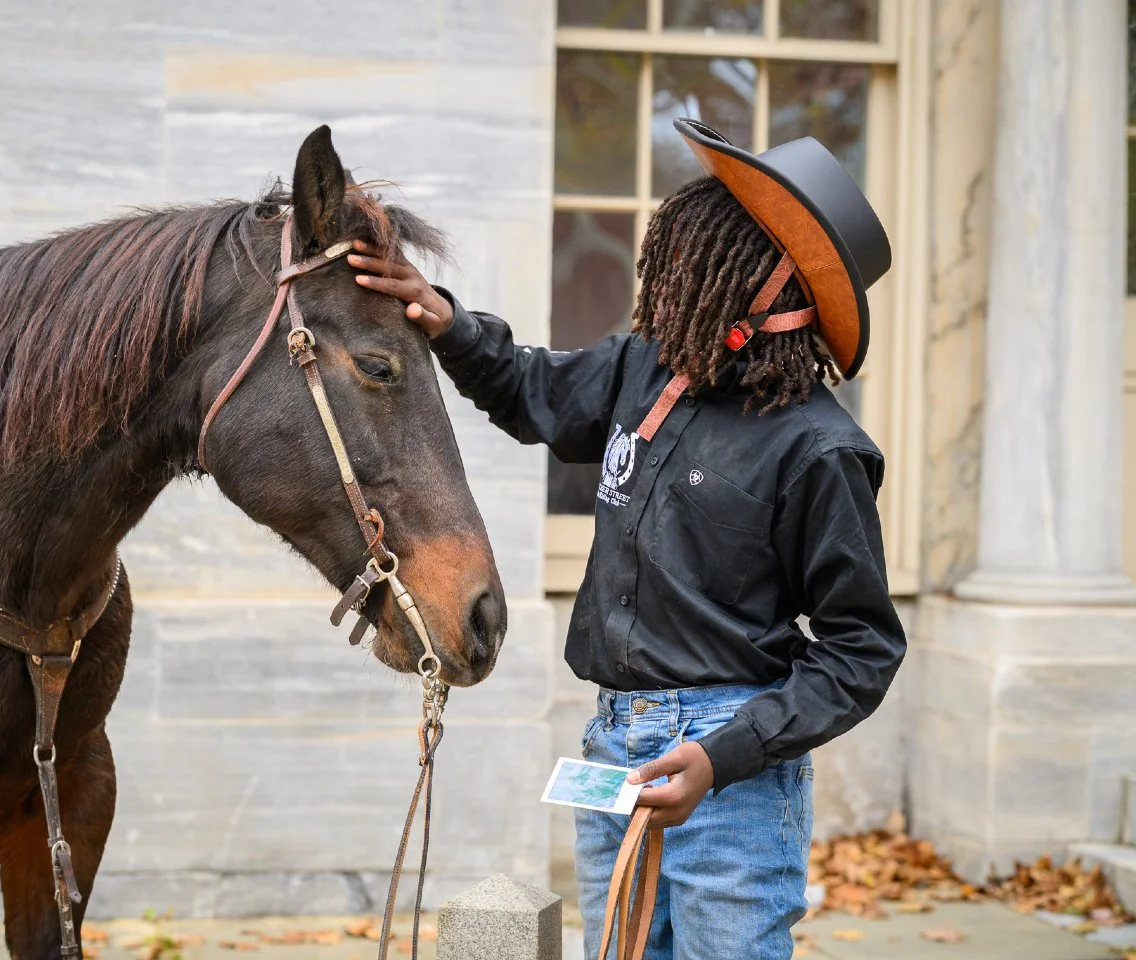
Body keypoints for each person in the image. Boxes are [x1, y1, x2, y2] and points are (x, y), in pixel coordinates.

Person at [347, 120, 907, 960]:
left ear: (767, 284)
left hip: (731, 769)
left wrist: (724, 756)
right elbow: (531, 389)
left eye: (711, 243)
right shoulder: (645, 370)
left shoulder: (820, 450)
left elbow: (863, 648)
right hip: (615, 741)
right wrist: (445, 321)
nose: (677, 262)